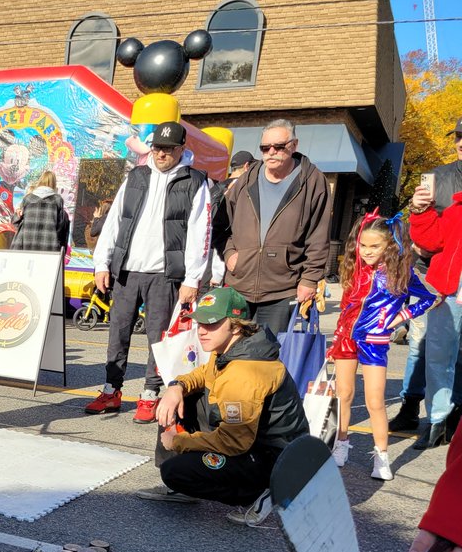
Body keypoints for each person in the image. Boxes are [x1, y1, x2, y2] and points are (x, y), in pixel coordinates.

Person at [151, 286, 309, 525]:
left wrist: (178, 442)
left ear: (236, 326)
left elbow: (233, 442)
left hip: (273, 460)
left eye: (211, 324)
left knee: (175, 472)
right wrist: (176, 387)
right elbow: (203, 374)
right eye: (200, 323)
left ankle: (263, 492)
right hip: (253, 442)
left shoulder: (245, 372)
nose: (201, 331)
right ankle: (182, 483)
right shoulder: (233, 348)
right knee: (176, 403)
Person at [89, 121, 211, 422]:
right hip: (127, 270)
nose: (161, 154)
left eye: (168, 149)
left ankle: (150, 394)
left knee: (158, 337)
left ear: (181, 149)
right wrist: (102, 262)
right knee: (117, 333)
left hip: (164, 274)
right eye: (157, 147)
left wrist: (192, 278)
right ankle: (111, 390)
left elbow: (201, 232)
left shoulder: (195, 181)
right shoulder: (136, 176)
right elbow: (114, 220)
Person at [325, 211, 438, 479]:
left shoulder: (401, 272)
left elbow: (429, 298)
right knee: (343, 395)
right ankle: (340, 444)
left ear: (389, 245)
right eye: (363, 245)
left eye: (374, 246)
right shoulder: (355, 268)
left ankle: (382, 456)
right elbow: (347, 306)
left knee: (375, 401)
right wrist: (337, 337)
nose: (366, 251)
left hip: (375, 341)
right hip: (346, 339)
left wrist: (399, 318)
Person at [214, 119, 331, 334]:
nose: (271, 152)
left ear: (294, 145)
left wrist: (309, 279)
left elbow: (318, 236)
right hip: (240, 283)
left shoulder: (313, 182)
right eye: (265, 148)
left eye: (278, 146)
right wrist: (229, 254)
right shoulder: (246, 180)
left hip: (282, 288)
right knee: (233, 348)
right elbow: (220, 225)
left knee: (268, 350)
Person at [409, 166, 462, 450]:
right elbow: (431, 241)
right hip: (450, 290)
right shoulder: (454, 209)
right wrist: (420, 211)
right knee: (438, 356)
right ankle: (437, 420)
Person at [11, 170, 70, 254]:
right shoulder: (57, 200)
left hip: (26, 243)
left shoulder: (28, 198)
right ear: (54, 183)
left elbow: (16, 222)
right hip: (48, 245)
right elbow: (60, 226)